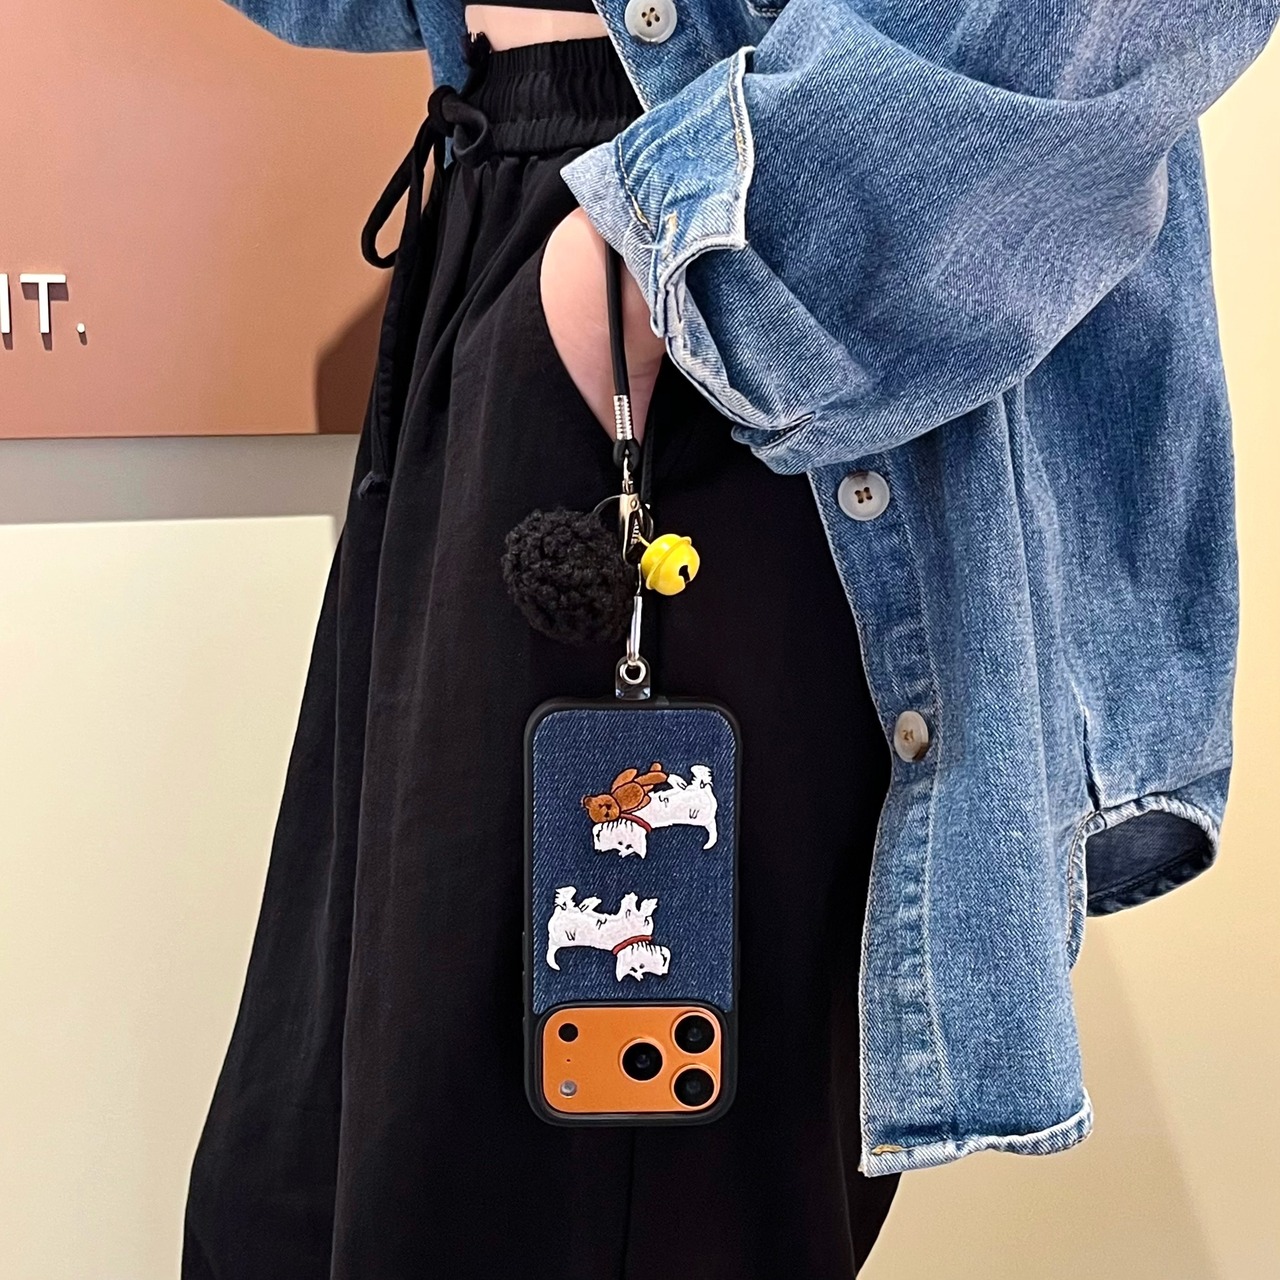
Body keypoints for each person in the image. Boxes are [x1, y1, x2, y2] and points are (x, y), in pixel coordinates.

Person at [183, 1, 1278, 1277]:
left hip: (699, 279)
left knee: (560, 1195)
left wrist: (688, 264)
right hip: (526, 210)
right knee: (316, 1185)